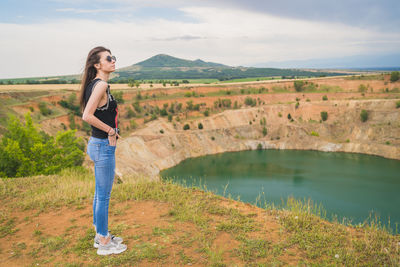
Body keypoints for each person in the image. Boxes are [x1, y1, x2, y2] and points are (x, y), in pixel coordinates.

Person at [79, 46, 127, 255]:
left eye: (113, 57)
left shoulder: (93, 84)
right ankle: (104, 242)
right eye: (109, 58)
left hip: (97, 145)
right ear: (97, 65)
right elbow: (87, 116)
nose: (113, 60)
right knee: (104, 195)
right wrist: (110, 131)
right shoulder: (101, 85)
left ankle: (100, 234)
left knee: (100, 194)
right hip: (102, 146)